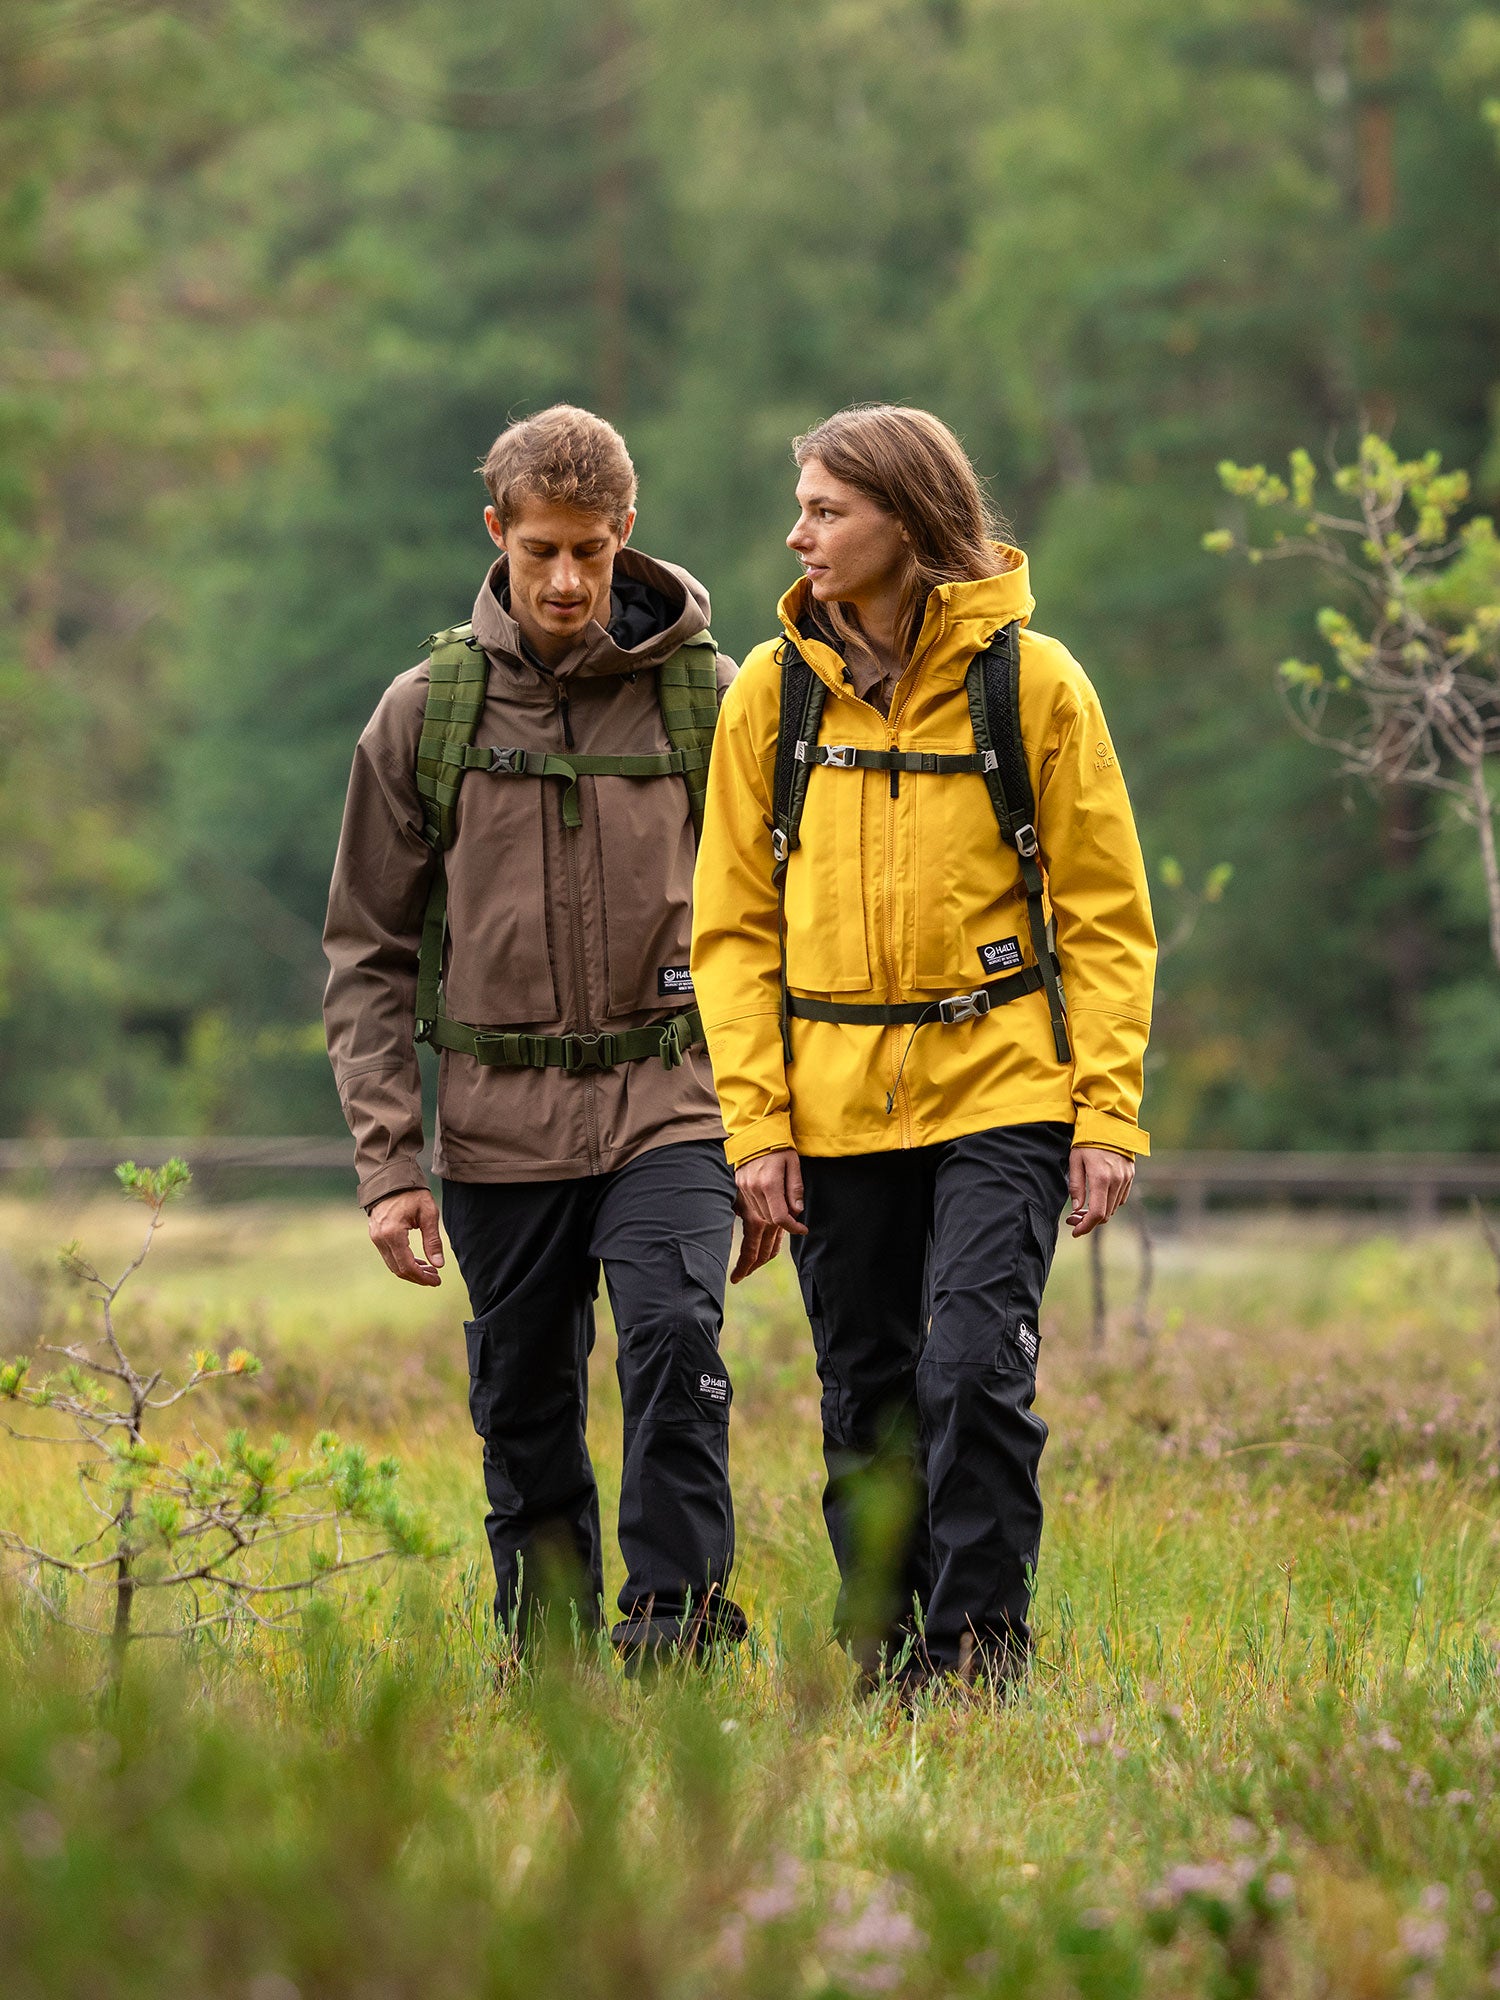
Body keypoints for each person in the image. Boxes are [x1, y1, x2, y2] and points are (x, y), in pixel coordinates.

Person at [691, 404, 1155, 1690]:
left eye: (826, 510)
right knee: (867, 1392)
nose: (799, 535)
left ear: (906, 519)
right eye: (802, 507)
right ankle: (883, 1656)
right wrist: (756, 1125)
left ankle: (980, 1660)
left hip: (1002, 1082)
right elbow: (731, 928)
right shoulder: (771, 694)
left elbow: (1106, 917)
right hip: (830, 1102)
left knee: (973, 1370)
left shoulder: (1035, 684)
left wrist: (1106, 1111)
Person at [324, 404, 746, 1660]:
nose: (566, 580)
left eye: (591, 551)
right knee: (522, 1398)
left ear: (628, 532)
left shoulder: (713, 700)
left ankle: (676, 1631)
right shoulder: (425, 714)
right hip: (499, 1126)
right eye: (541, 550)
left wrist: (775, 1131)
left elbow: (782, 931)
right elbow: (367, 952)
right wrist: (390, 1164)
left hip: (676, 1099)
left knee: (675, 1338)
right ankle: (551, 1656)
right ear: (496, 531)